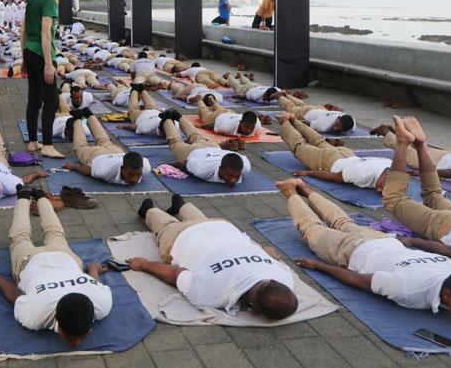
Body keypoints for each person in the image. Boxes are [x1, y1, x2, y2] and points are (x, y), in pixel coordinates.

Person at [279, 178, 451, 319]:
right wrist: (318, 266)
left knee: (342, 221)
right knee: (312, 230)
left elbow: (448, 253)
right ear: (447, 296)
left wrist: (412, 242)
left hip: (386, 241)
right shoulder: (406, 289)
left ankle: (306, 189)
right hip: (352, 250)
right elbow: (356, 279)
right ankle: (291, 192)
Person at [127, 194, 298, 320]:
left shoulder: (285, 278)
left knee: (202, 220)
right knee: (166, 227)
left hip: (223, 227)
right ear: (253, 309)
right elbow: (176, 273)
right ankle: (149, 209)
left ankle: (182, 205)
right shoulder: (210, 296)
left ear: (274, 282)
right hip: (183, 236)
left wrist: (266, 252)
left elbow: (271, 255)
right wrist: (145, 265)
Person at [0, 188, 112, 346]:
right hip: (32, 261)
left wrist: (93, 270)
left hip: (61, 257)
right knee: (21, 236)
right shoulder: (35, 316)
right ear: (57, 321)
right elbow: (16, 296)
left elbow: (94, 283)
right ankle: (29, 197)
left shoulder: (102, 304)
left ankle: (34, 197)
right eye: (70, 337)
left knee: (53, 233)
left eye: (82, 337)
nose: (76, 344)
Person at [381, 116, 451, 263]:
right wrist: (413, 242)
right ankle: (403, 144)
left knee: (433, 195)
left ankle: (420, 144)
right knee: (394, 200)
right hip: (450, 226)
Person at [278, 112, 390, 191]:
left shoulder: (390, 165)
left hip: (347, 153)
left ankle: (293, 120)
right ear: (386, 176)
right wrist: (308, 172)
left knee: (318, 141)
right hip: (329, 161)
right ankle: (285, 122)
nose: (379, 190)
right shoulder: (362, 174)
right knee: (299, 147)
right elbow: (334, 177)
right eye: (383, 187)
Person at [21, 0, 65, 158]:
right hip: (42, 53)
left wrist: (24, 57)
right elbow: (45, 32)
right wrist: (49, 64)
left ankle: (33, 141)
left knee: (34, 98)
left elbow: (22, 29)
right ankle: (47, 144)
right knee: (51, 100)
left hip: (30, 51)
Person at [159, 110, 250, 185]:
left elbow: (237, 156)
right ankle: (167, 119)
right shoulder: (202, 170)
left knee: (196, 135)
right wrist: (167, 165)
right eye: (230, 176)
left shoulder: (245, 167)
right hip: (193, 151)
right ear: (221, 169)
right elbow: (184, 163)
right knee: (175, 142)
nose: (233, 180)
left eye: (237, 176)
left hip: (214, 146)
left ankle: (178, 116)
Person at [63, 108, 152, 185]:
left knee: (104, 140)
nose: (134, 179)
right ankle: (78, 118)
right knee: (81, 146)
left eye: (139, 174)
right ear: (122, 168)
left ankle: (89, 115)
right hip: (96, 156)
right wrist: (74, 167)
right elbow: (89, 171)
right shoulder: (104, 171)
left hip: (116, 152)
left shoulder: (146, 167)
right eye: (130, 174)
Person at [372, 124, 451, 183]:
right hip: (443, 162)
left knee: (422, 148)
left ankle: (395, 132)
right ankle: (386, 132)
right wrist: (422, 172)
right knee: (409, 154)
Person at [277, 93, 356, 134]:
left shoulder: (351, 122)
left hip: (321, 110)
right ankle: (279, 96)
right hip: (306, 113)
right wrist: (292, 120)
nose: (335, 128)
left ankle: (286, 95)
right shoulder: (323, 126)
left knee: (302, 105)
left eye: (339, 129)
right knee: (291, 107)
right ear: (338, 118)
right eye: (337, 125)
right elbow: (306, 123)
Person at [196, 97, 262, 137]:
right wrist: (201, 126)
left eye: (252, 128)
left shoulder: (257, 126)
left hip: (230, 113)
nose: (248, 130)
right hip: (218, 116)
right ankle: (199, 99)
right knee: (205, 114)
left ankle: (212, 100)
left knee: (221, 109)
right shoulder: (227, 128)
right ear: (241, 122)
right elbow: (213, 124)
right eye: (246, 127)